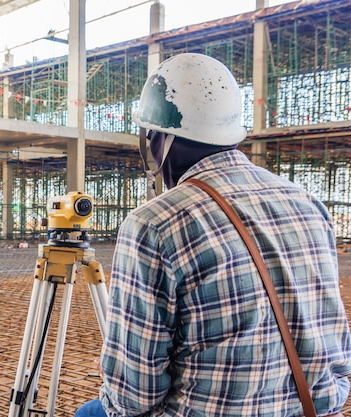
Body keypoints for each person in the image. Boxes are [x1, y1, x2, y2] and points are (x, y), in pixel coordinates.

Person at [76, 53, 351, 417]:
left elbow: (132, 398)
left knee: (90, 413)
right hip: (313, 408)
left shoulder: (153, 223)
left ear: (156, 139)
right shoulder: (309, 205)